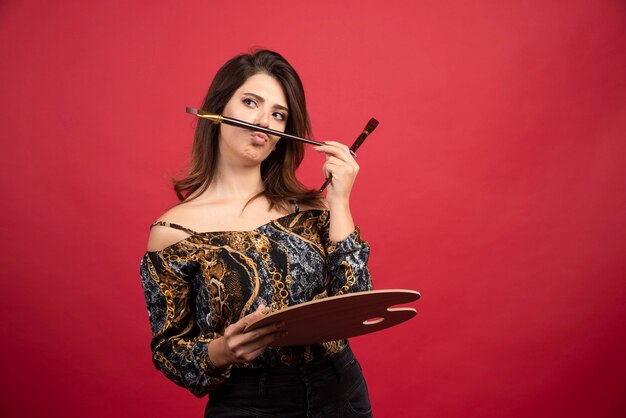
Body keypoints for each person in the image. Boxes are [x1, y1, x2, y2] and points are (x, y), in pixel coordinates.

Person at [139, 49, 373, 418]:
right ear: (217, 112)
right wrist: (223, 350)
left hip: (339, 390)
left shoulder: (313, 208)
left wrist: (340, 200)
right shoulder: (173, 232)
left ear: (283, 133)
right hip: (248, 402)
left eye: (278, 114)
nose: (264, 120)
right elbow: (170, 353)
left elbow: (357, 301)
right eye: (251, 102)